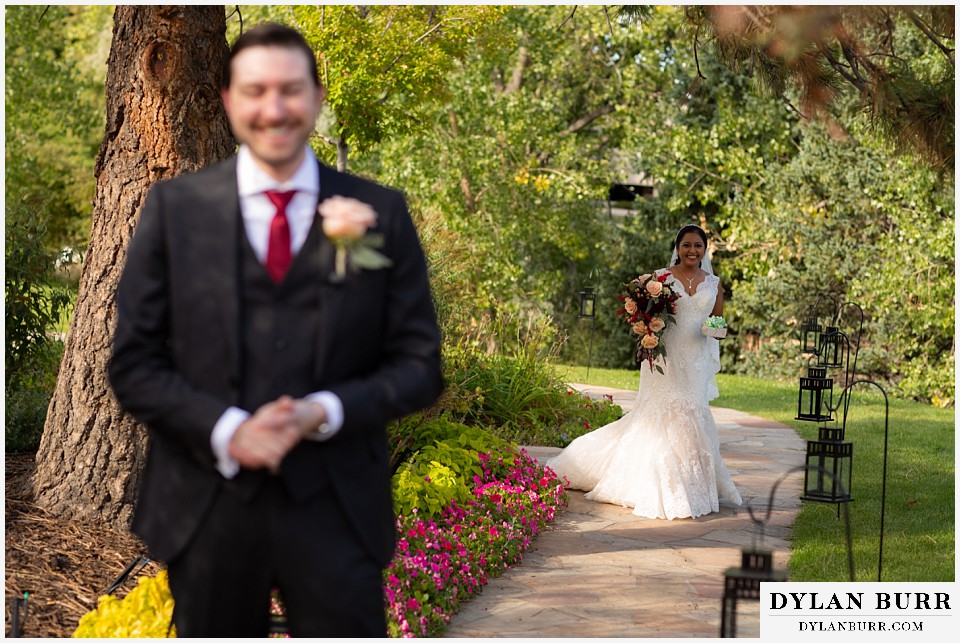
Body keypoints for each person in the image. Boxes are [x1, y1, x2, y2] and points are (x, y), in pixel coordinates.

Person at [108, 23, 443, 637]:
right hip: (208, 510)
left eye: (291, 90)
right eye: (256, 90)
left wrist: (324, 409)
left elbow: (420, 366)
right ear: (229, 100)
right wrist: (229, 430)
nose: (274, 108)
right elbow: (133, 364)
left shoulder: (381, 213)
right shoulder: (174, 211)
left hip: (338, 507)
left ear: (316, 98)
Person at [547, 224, 742, 520]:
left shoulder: (713, 284)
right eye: (687, 245)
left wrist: (718, 331)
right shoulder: (660, 279)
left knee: (692, 410)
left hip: (695, 359)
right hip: (663, 358)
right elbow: (638, 309)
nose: (692, 250)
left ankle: (692, 485)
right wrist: (646, 326)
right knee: (667, 411)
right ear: (677, 247)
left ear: (705, 250)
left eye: (698, 246)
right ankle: (667, 486)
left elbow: (717, 322)